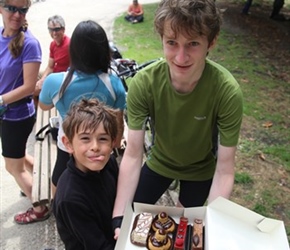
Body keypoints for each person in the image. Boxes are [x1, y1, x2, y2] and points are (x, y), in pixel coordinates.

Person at [112, 0, 243, 237]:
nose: (181, 57)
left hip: (201, 168)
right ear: (162, 39)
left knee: (184, 231)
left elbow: (224, 169)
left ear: (210, 42)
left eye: (193, 43)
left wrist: (214, 222)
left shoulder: (226, 91)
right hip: (160, 161)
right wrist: (119, 215)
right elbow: (132, 154)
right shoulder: (145, 83)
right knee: (132, 225)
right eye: (172, 43)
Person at [39, 20, 126, 197]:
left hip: (70, 147)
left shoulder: (56, 82)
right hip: (102, 148)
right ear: (103, 50)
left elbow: (44, 105)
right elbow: (118, 124)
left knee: (60, 181)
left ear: (73, 50)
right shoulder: (114, 83)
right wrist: (114, 142)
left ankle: (59, 216)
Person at [0, 0, 50, 224]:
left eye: (23, 10)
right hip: (5, 114)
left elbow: (30, 87)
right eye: (11, 8)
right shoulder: (2, 36)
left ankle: (40, 208)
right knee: (18, 157)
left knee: (12, 166)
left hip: (17, 116)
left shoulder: (30, 44)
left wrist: (1, 99)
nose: (17, 15)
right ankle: (43, 183)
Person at [53, 99, 119, 250]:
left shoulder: (109, 163)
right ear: (68, 144)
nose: (95, 147)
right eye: (85, 139)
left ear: (112, 142)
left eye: (103, 139)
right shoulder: (70, 199)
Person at [33, 15, 70, 106]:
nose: (54, 33)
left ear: (63, 29)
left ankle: (38, 109)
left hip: (62, 78)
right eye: (51, 30)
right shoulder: (53, 44)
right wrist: (42, 79)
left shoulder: (70, 45)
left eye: (57, 29)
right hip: (54, 73)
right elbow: (50, 66)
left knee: (32, 90)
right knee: (33, 77)